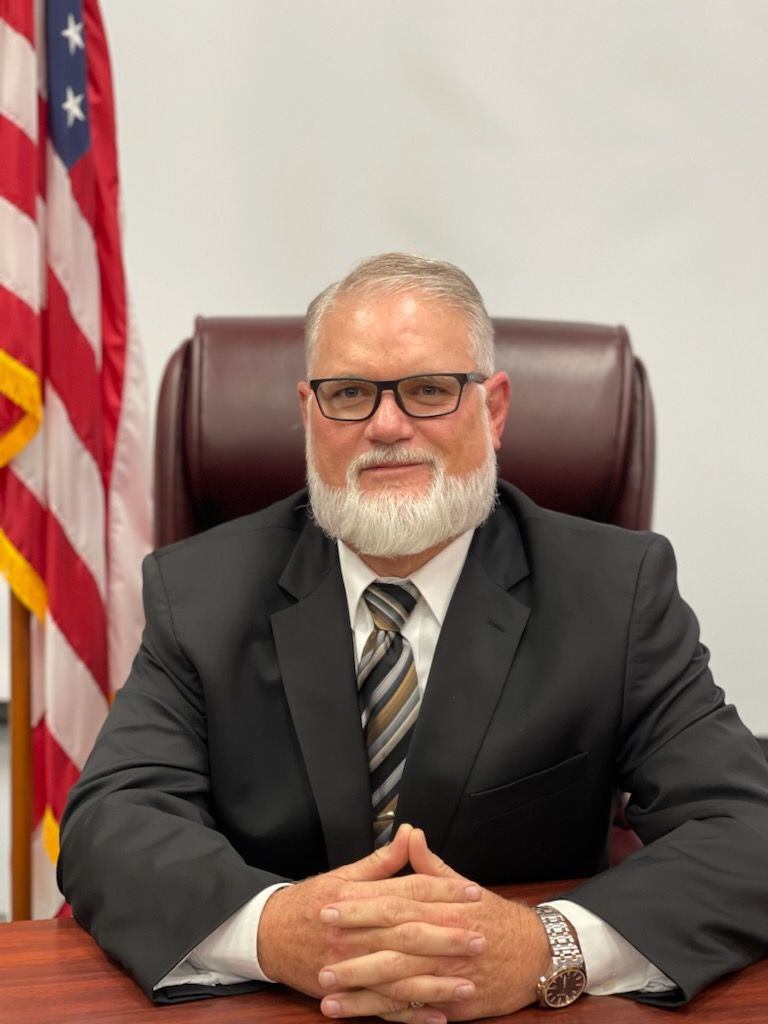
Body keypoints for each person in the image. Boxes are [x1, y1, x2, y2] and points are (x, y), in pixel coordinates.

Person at [58, 253, 768, 1022]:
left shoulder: (616, 591)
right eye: (350, 394)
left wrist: (547, 947)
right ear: (308, 411)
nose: (387, 427)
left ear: (493, 409)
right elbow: (110, 825)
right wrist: (275, 931)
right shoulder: (198, 594)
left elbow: (745, 828)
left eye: (429, 391)